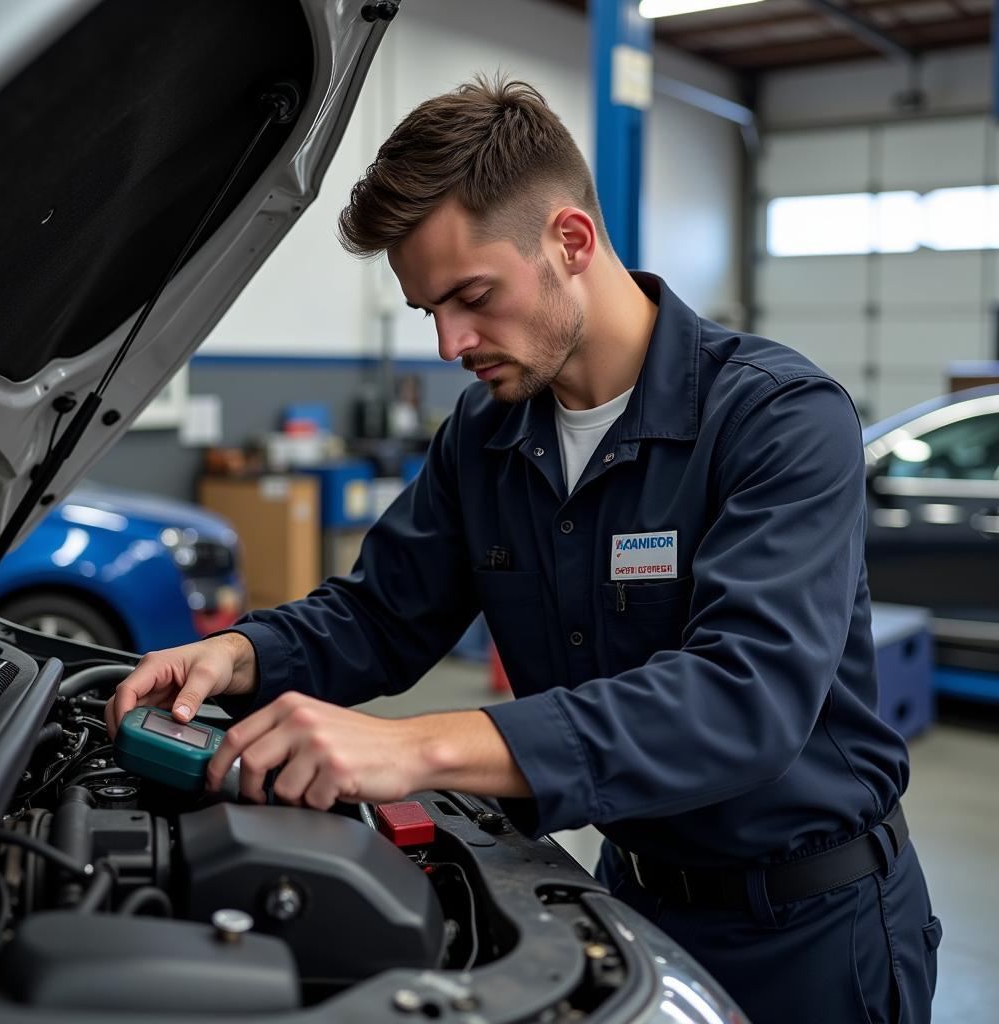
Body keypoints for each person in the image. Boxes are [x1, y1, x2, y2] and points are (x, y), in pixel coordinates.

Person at [106, 76, 940, 1023]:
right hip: (628, 903)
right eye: (429, 311)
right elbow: (383, 611)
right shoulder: (487, 434)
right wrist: (239, 654)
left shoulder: (778, 420)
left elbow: (743, 695)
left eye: (471, 297)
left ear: (571, 241)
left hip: (814, 933)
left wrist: (415, 746)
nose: (450, 341)